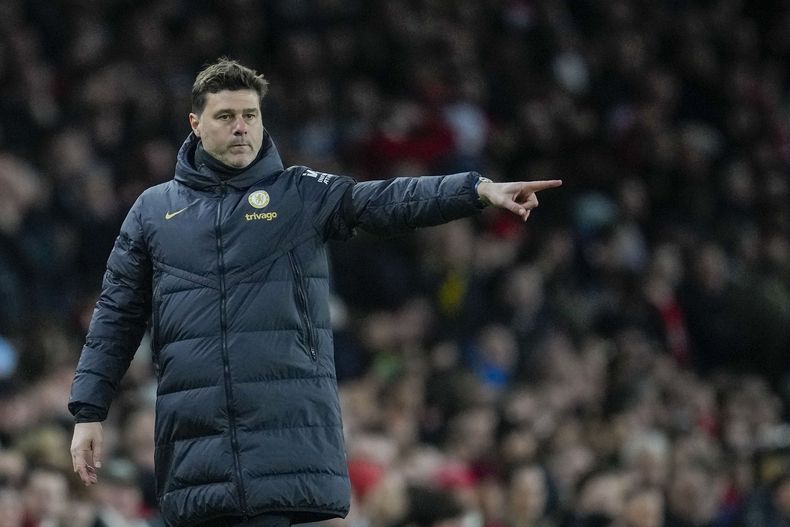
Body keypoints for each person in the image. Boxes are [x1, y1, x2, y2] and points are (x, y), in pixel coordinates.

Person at [68, 58, 562, 527]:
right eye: (226, 116)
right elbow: (116, 314)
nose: (241, 127)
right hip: (194, 450)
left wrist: (475, 190)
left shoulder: (300, 193)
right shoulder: (153, 211)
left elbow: (383, 200)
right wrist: (89, 412)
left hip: (281, 442)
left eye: (250, 115)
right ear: (195, 124)